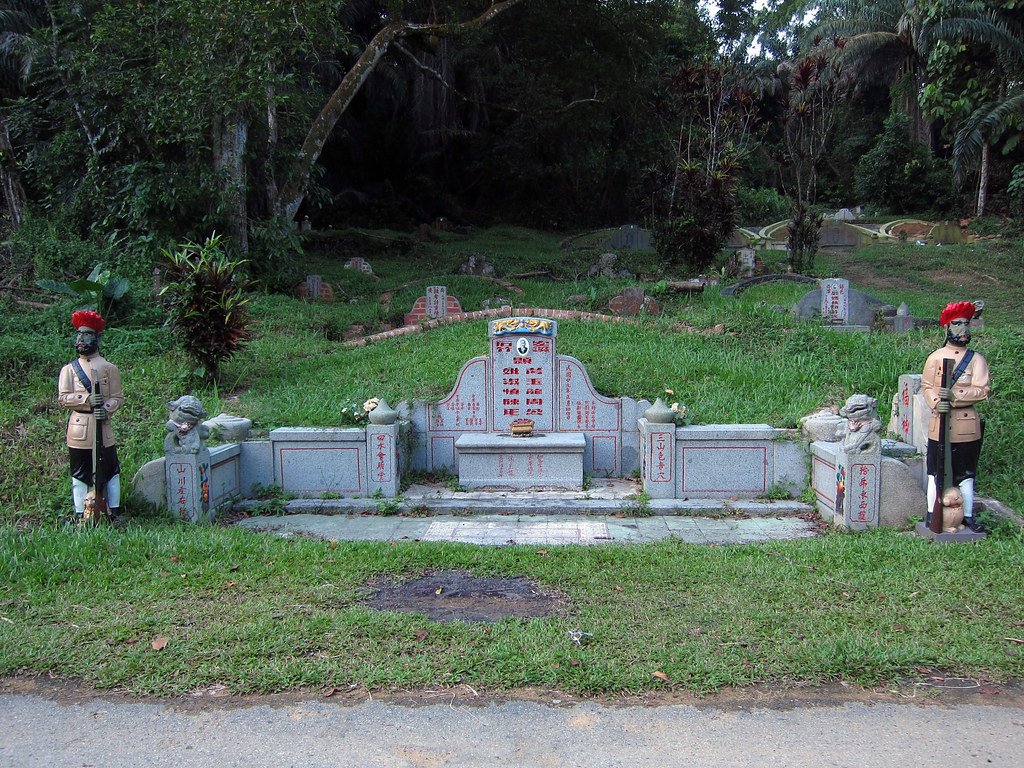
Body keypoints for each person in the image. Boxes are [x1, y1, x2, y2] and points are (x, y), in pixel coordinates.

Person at [921, 301, 990, 530]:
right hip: (939, 422)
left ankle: (968, 515)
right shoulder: (936, 357)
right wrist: (936, 401)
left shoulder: (976, 359)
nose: (963, 329)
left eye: (966, 324)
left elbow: (982, 389)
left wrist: (955, 394)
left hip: (965, 425)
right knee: (934, 472)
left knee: (966, 474)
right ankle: (932, 514)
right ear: (948, 327)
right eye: (958, 324)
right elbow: (927, 385)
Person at [57, 311, 124, 521]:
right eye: (79, 335)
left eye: (86, 335)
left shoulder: (109, 368)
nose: (81, 339)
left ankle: (114, 510)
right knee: (79, 473)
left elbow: (118, 397)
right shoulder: (69, 370)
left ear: (96, 338)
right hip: (79, 428)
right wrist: (85, 400)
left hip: (103, 428)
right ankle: (80, 512)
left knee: (111, 470)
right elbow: (63, 398)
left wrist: (106, 407)